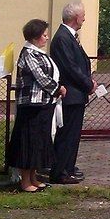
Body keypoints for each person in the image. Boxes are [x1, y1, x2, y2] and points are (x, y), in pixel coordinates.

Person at [7, 19, 66, 192]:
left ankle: (34, 177)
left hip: (44, 104)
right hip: (32, 105)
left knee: (40, 141)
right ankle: (25, 181)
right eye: (44, 35)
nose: (47, 38)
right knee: (29, 141)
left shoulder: (38, 53)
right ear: (35, 36)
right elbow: (40, 77)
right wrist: (57, 89)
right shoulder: (28, 54)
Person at [49, 2, 96, 184]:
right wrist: (87, 84)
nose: (84, 18)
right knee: (67, 134)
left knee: (73, 134)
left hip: (76, 94)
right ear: (76, 17)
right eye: (83, 15)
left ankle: (68, 166)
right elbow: (70, 67)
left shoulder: (70, 37)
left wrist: (88, 81)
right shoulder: (62, 38)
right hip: (71, 93)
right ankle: (60, 171)